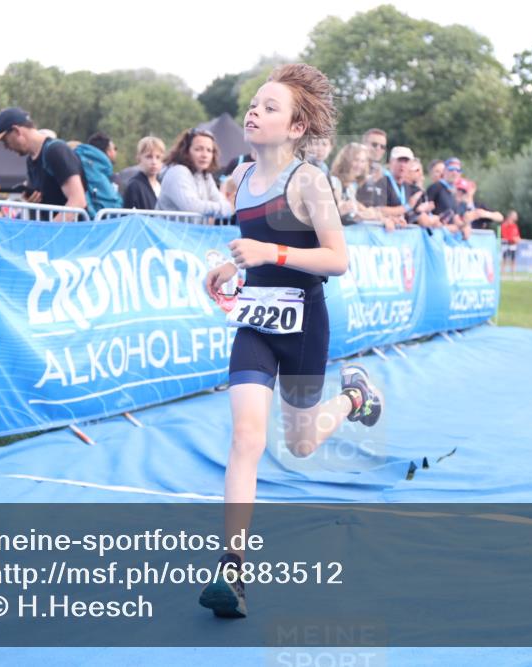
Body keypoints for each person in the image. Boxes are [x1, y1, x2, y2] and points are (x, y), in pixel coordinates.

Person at [199, 63, 383, 619]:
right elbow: (251, 251)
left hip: (305, 327)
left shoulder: (310, 181)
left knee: (301, 445)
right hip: (256, 325)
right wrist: (232, 275)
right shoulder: (240, 179)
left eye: (270, 107)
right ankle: (233, 572)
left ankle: (354, 397)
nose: (254, 111)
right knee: (246, 440)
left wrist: (271, 255)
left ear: (297, 128)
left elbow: (338, 260)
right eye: (254, 103)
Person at [0, 107, 87, 221]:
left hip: (72, 234)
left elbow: (78, 201)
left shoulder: (56, 151)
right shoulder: (31, 159)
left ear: (16, 131)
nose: (6, 147)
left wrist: (49, 233)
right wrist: (31, 201)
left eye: (5, 141)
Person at [157, 128, 233, 220]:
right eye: (198, 149)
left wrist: (225, 207)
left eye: (209, 150)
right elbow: (191, 207)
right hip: (168, 232)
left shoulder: (205, 175)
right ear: (186, 151)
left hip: (187, 232)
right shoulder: (177, 172)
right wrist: (224, 208)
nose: (204, 155)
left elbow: (220, 199)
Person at [328, 142, 385, 224]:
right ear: (346, 161)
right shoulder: (334, 182)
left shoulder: (351, 186)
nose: (359, 165)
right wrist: (359, 215)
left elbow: (356, 210)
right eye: (356, 160)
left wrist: (375, 215)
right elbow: (333, 214)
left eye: (363, 161)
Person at [123, 136, 165, 210]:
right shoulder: (134, 186)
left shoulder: (162, 184)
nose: (154, 162)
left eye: (158, 157)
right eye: (149, 157)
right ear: (139, 158)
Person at [425, 157, 462, 227]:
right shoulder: (435, 187)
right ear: (444, 171)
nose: (455, 173)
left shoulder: (453, 192)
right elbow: (424, 213)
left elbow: (455, 218)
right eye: (451, 169)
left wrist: (465, 225)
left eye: (458, 170)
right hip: (434, 234)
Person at [500, 211, 521, 275]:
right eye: (515, 215)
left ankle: (513, 273)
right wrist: (513, 239)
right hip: (506, 244)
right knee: (504, 258)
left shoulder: (515, 226)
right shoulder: (504, 225)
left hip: (513, 245)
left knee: (513, 259)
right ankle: (503, 272)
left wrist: (518, 239)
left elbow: (517, 234)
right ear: (511, 216)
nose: (516, 217)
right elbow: (504, 235)